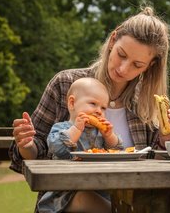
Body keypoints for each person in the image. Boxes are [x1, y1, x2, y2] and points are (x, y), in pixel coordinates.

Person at [10, 6, 170, 212]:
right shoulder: (66, 84)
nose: (123, 69)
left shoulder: (147, 104)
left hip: (130, 202)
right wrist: (26, 143)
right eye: (121, 55)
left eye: (137, 65)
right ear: (112, 40)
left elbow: (154, 170)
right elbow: (36, 152)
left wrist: (166, 142)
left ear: (150, 65)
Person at [38, 77, 123, 213]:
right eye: (93, 103)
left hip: (99, 190)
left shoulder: (100, 133)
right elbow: (55, 147)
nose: (98, 111)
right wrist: (76, 130)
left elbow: (119, 150)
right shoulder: (61, 128)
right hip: (67, 193)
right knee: (84, 197)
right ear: (72, 103)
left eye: (103, 108)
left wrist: (110, 136)